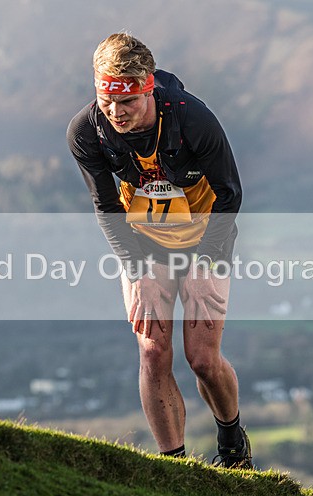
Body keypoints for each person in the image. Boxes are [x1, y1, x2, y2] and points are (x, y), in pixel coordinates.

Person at [67, 33, 250, 467]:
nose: (116, 113)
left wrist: (207, 261)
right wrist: (135, 270)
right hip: (145, 242)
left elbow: (230, 194)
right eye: (106, 101)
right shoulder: (87, 130)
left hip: (207, 234)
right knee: (152, 350)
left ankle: (232, 440)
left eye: (126, 102)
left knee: (202, 359)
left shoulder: (192, 119)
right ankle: (175, 467)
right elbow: (105, 205)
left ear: (147, 88)